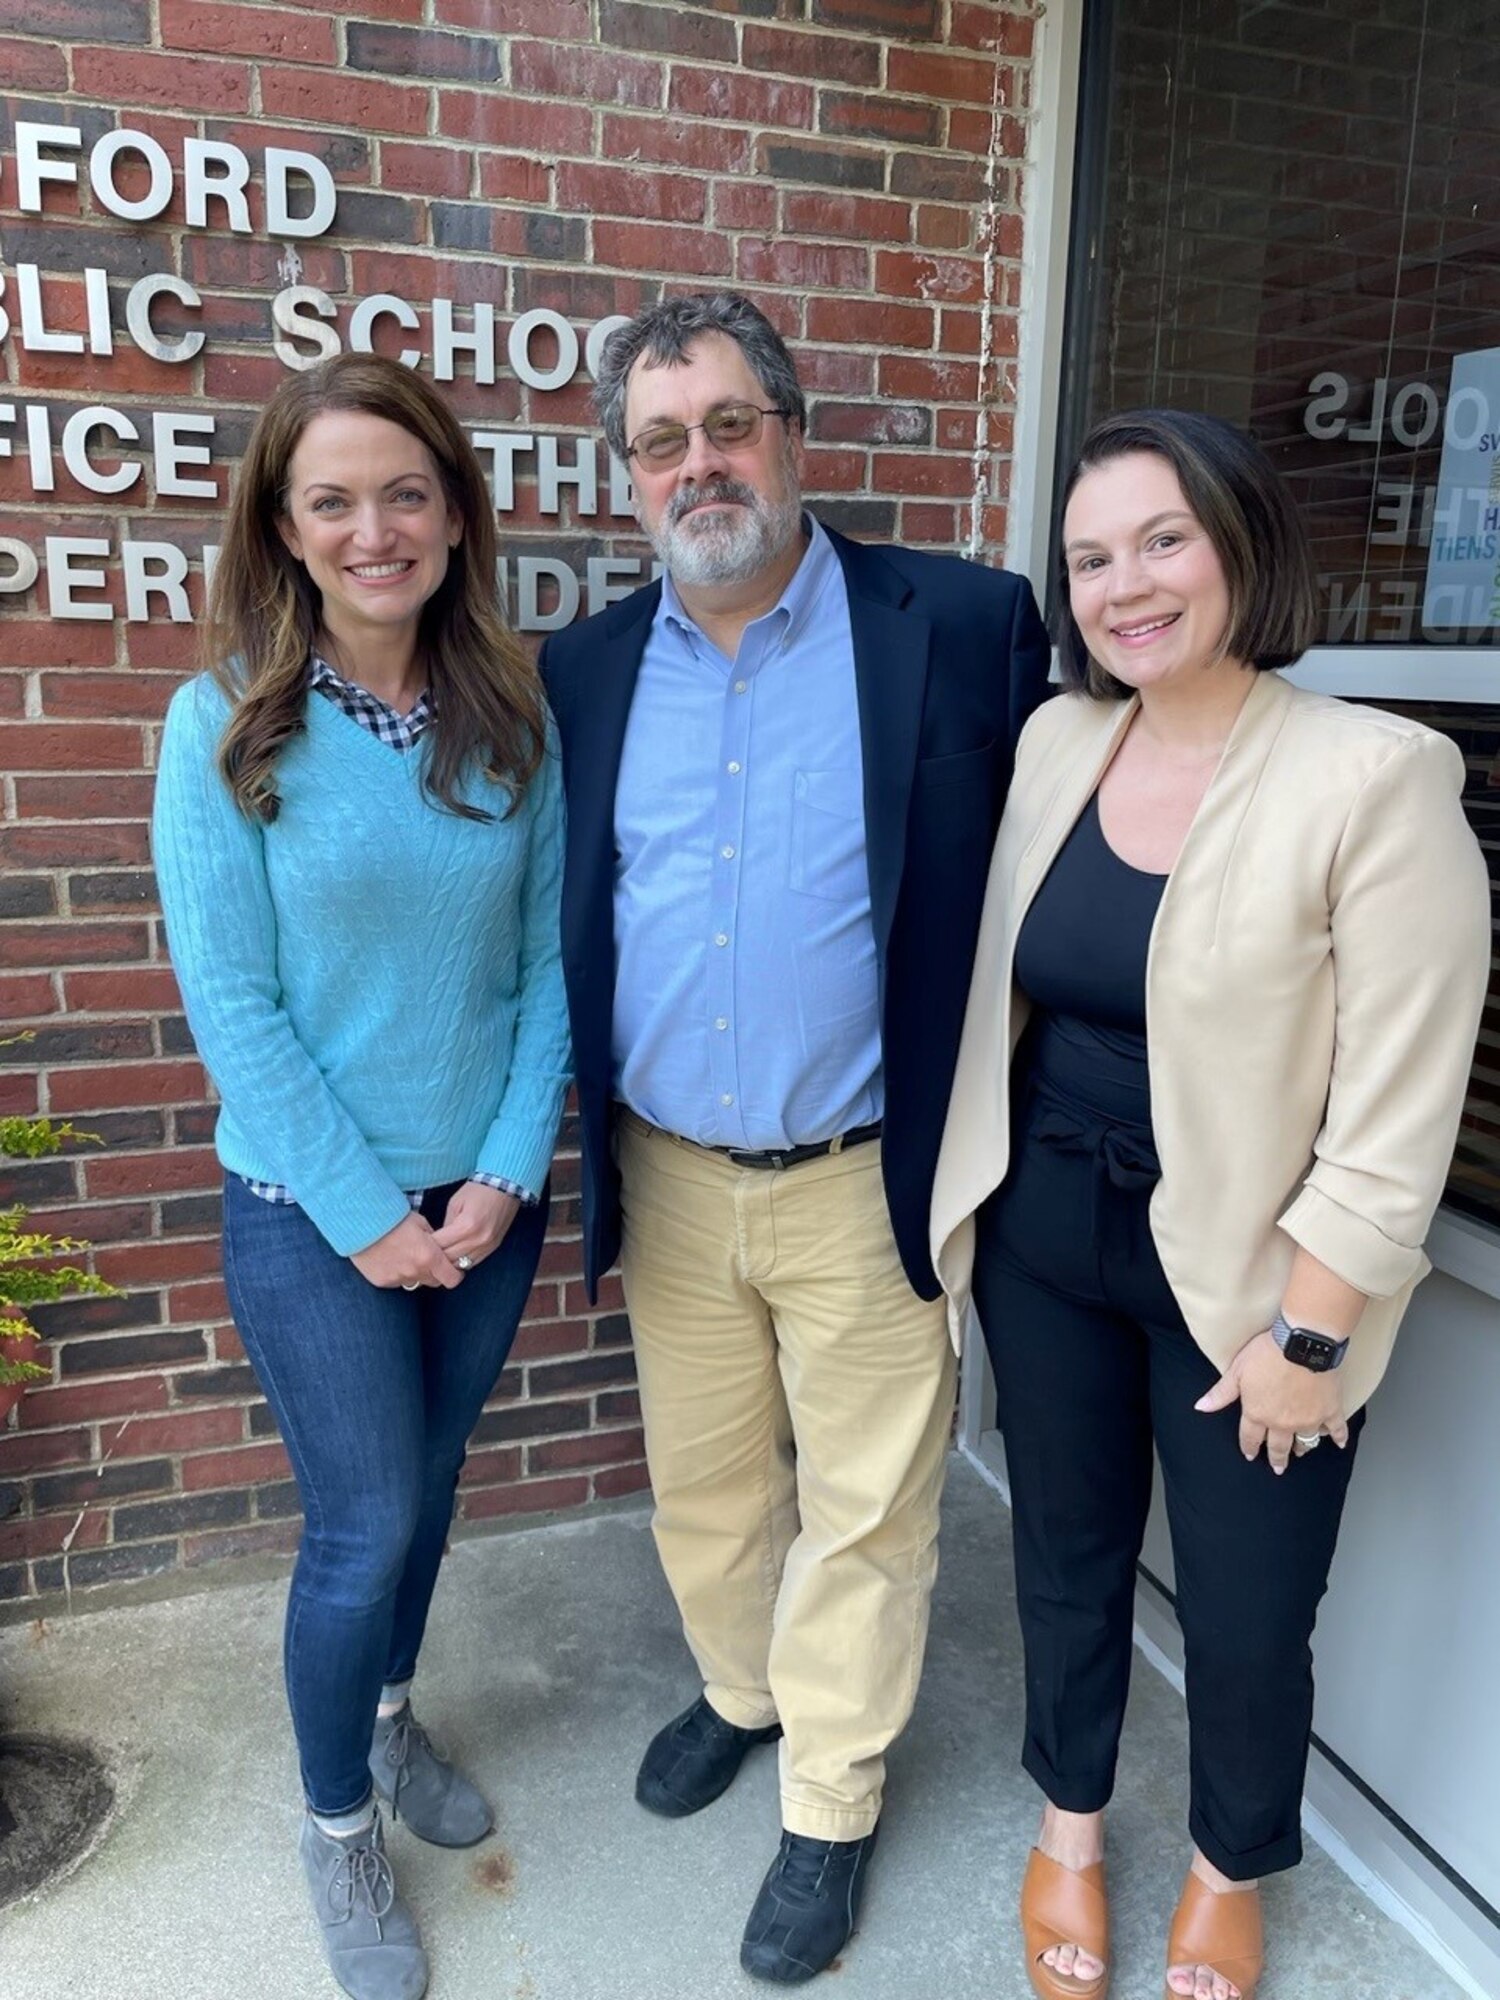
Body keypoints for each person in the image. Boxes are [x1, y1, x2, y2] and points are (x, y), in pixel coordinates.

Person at [931, 409, 1489, 2000]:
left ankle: (1230, 1866)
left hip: (1252, 1284)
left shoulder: (1374, 775)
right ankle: (1069, 1828)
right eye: (1091, 557)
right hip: (1047, 1238)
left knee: (1248, 1616)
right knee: (1066, 1554)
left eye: (1162, 539)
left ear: (1240, 542)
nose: (1127, 585)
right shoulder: (1059, 744)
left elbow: (1399, 1104)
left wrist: (1312, 1339)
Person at [541, 291, 1051, 1984]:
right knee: (702, 1489)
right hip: (669, 1173)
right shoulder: (588, 667)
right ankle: (744, 1692)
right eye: (663, 443)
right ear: (630, 477)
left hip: (862, 1175)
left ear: (795, 429)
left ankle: (829, 1799)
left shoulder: (963, 626)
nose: (703, 466)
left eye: (730, 425)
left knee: (871, 1509)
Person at [152, 353, 569, 2000]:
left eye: (406, 491)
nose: (373, 527)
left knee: (436, 1491)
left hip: (482, 1209)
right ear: (285, 526)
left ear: (457, 514)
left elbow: (547, 973)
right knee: (364, 1523)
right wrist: (372, 1220)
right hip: (310, 1217)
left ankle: (390, 1725)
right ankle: (336, 1826)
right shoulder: (223, 725)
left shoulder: (514, 712)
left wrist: (501, 1178)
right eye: (332, 499)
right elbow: (233, 1010)